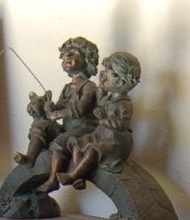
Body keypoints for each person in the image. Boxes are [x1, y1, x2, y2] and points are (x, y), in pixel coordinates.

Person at [42, 50, 139, 192]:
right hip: (101, 135)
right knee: (77, 144)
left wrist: (105, 119)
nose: (103, 74)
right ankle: (78, 176)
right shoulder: (108, 98)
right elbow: (99, 101)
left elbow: (122, 125)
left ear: (120, 80)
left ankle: (72, 175)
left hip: (115, 140)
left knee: (91, 150)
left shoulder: (123, 103)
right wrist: (51, 107)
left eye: (107, 72)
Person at [14, 35, 99, 167]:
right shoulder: (67, 87)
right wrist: (49, 107)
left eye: (72, 54)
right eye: (65, 55)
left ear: (87, 59)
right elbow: (60, 105)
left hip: (84, 130)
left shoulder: (89, 86)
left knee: (60, 140)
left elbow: (81, 108)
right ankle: (30, 158)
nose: (67, 58)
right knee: (42, 126)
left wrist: (57, 114)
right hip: (67, 129)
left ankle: (55, 176)